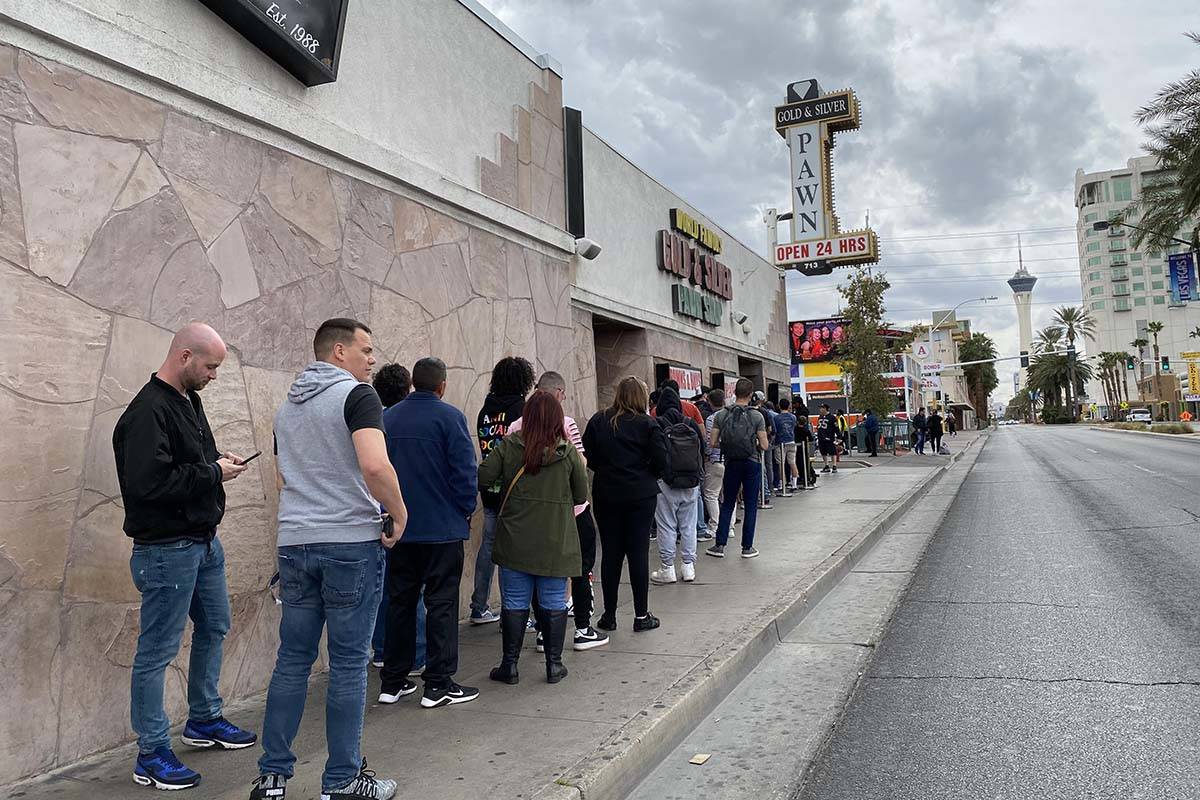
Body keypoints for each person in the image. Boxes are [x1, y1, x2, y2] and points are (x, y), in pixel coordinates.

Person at [253, 318, 408, 800]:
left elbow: (283, 478)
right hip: (348, 544)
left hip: (296, 542)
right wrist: (399, 512)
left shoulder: (286, 408)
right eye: (366, 349)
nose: (371, 359)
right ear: (338, 351)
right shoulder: (358, 397)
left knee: (292, 661)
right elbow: (375, 465)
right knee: (346, 664)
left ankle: (272, 779)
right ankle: (342, 780)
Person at [113, 323, 254, 792]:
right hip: (166, 550)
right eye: (211, 366)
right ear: (185, 356)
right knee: (156, 652)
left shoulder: (188, 401)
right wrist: (212, 472)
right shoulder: (146, 413)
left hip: (202, 542)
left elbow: (196, 460)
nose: (214, 375)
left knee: (215, 626)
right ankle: (151, 752)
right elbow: (148, 486)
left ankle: (204, 719)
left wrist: (220, 462)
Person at [379, 358, 479, 710]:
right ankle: (438, 684)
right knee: (441, 604)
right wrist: (465, 511)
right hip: (442, 529)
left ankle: (392, 681)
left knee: (399, 602)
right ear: (442, 385)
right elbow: (466, 473)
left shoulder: (388, 418)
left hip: (401, 529)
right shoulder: (450, 418)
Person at [479, 391, 589, 685]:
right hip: (556, 539)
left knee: (514, 601)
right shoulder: (569, 454)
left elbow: (484, 477)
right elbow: (581, 494)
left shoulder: (509, 446)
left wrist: (507, 491)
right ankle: (554, 665)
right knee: (554, 600)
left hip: (515, 538)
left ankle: (510, 666)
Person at [508, 371, 608, 651]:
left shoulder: (516, 426)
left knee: (539, 571)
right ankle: (583, 628)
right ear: (559, 394)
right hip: (572, 510)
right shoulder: (566, 424)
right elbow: (581, 462)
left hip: (532, 514)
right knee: (581, 567)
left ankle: (543, 632)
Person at [583, 376, 668, 632]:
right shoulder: (647, 424)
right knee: (638, 553)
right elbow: (663, 462)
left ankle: (609, 615)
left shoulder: (600, 421)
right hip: (640, 495)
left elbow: (588, 456)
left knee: (611, 554)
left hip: (607, 493)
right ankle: (641, 615)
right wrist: (645, 473)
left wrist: (607, 469)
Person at [471, 357, 535, 625]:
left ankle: (478, 605)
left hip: (490, 489)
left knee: (488, 549)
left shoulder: (485, 411)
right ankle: (515, 612)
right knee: (517, 553)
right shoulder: (521, 411)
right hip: (515, 490)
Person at [369, 364, 424, 671]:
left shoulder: (372, 421)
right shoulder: (403, 420)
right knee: (410, 589)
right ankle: (415, 655)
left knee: (383, 588)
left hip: (374, 514)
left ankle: (380, 649)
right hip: (402, 514)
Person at [706, 378, 770, 559]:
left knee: (727, 503)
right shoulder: (757, 416)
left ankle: (719, 545)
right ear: (751, 395)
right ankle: (747, 548)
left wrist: (728, 446)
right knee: (750, 505)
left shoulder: (721, 415)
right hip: (752, 463)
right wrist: (754, 444)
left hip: (731, 462)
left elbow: (712, 443)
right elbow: (764, 445)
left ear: (734, 393)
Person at [650, 387, 706, 584]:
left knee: (666, 526)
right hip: (691, 482)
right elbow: (703, 448)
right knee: (689, 525)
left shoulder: (657, 423)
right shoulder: (689, 423)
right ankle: (688, 567)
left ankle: (668, 568)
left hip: (666, 483)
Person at [701, 389, 727, 538]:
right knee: (728, 494)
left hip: (715, 460)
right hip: (729, 460)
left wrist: (708, 455)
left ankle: (714, 526)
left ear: (710, 402)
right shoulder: (730, 415)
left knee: (711, 495)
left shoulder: (711, 419)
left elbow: (710, 441)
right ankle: (729, 526)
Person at [751, 392, 775, 509]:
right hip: (762, 444)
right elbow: (770, 429)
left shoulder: (746, 412)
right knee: (764, 468)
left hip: (748, 446)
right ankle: (765, 493)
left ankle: (754, 496)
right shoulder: (764, 412)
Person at [774, 398, 798, 494]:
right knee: (792, 463)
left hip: (780, 443)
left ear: (779, 406)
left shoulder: (776, 418)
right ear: (789, 406)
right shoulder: (793, 417)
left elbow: (775, 430)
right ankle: (794, 484)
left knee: (781, 464)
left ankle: (782, 484)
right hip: (792, 441)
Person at [816, 403, 839, 473]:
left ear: (825, 409)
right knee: (823, 452)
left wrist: (839, 436)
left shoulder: (832, 417)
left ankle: (834, 466)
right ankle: (826, 465)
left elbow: (836, 428)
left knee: (832, 452)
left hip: (829, 437)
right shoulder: (820, 417)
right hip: (821, 438)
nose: (820, 409)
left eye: (822, 408)